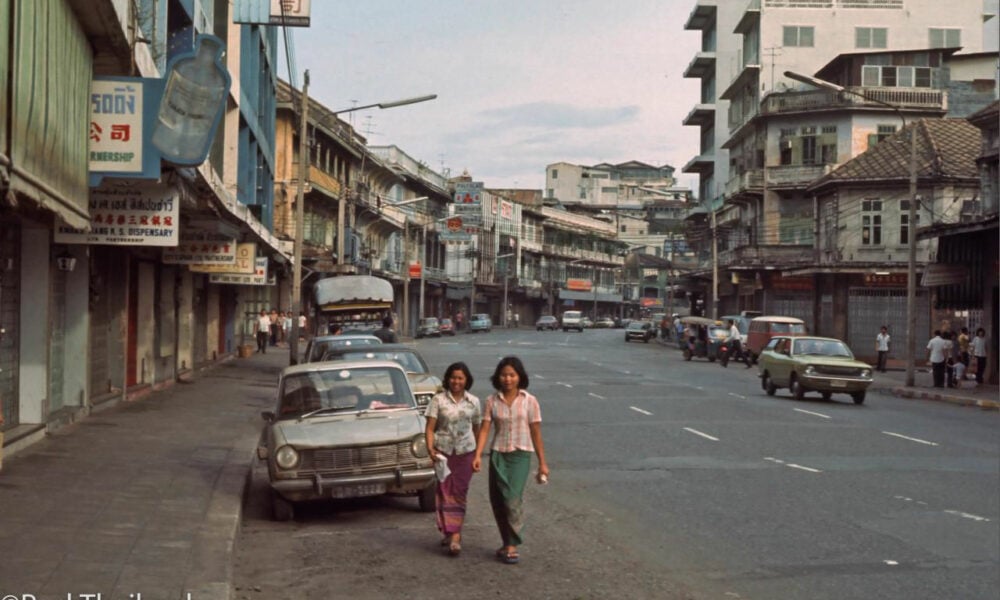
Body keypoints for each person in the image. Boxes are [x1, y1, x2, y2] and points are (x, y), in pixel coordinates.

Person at [473, 356, 549, 565]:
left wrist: (543, 463)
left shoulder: (529, 401)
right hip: (498, 454)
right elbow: (486, 429)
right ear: (498, 377)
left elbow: (536, 432)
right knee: (498, 500)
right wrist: (478, 454)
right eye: (504, 375)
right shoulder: (491, 401)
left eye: (512, 375)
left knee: (512, 498)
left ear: (519, 377)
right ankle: (506, 542)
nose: (508, 379)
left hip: (520, 455)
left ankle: (513, 544)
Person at [425, 362, 482, 557]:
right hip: (443, 453)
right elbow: (430, 428)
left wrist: (477, 454)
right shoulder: (438, 400)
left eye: (460, 378)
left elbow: (477, 428)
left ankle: (455, 534)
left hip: (465, 453)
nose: (456, 381)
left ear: (466, 380)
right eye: (453, 377)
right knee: (444, 492)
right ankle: (449, 531)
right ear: (448, 379)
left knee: (459, 493)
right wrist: (430, 449)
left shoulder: (473, 402)